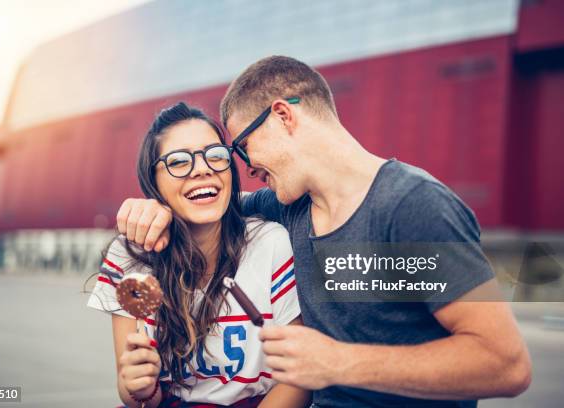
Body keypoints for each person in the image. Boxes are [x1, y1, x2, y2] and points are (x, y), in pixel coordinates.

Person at [115, 56, 532, 407]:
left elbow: (505, 364)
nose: (247, 166)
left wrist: (338, 362)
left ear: (282, 115)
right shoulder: (287, 206)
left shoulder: (410, 206)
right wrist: (150, 208)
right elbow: (208, 206)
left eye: (241, 145)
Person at [87, 102, 310, 408]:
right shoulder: (131, 257)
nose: (203, 168)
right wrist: (141, 388)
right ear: (153, 181)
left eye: (216, 155)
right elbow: (133, 394)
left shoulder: (270, 243)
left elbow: (296, 380)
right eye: (179, 162)